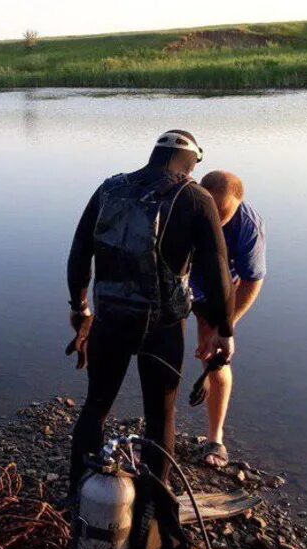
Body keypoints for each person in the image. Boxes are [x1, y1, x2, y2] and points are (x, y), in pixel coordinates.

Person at [66, 130, 235, 489]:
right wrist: (225, 330)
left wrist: (80, 308)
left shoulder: (109, 189)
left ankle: (78, 497)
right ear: (191, 162)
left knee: (95, 407)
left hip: (109, 321)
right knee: (160, 419)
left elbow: (80, 252)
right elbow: (218, 270)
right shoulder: (196, 197)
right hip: (163, 327)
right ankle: (153, 509)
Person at [191, 171, 267, 468]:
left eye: (223, 216)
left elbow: (252, 280)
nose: (215, 223)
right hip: (177, 280)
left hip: (218, 290)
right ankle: (161, 431)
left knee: (216, 356)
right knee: (161, 351)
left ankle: (215, 437)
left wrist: (225, 327)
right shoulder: (182, 208)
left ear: (239, 203)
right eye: (210, 213)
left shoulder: (248, 226)